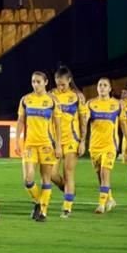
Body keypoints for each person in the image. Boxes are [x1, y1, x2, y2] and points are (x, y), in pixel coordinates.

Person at [16, 71, 61, 222]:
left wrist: (59, 145)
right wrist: (17, 141)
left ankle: (43, 212)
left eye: (38, 82)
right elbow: (21, 121)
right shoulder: (26, 100)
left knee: (46, 179)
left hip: (46, 144)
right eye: (33, 81)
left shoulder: (52, 101)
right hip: (30, 145)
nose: (35, 84)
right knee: (28, 179)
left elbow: (58, 125)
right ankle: (37, 202)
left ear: (46, 82)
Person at [50, 66, 87, 218]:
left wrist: (83, 141)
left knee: (68, 172)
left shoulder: (77, 97)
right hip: (55, 141)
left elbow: (83, 120)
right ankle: (66, 188)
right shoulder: (51, 95)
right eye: (58, 83)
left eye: (63, 84)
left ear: (69, 80)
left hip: (72, 139)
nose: (60, 87)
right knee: (51, 174)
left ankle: (67, 208)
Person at [86, 78, 121, 214]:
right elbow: (84, 123)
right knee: (100, 177)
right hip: (94, 146)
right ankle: (110, 199)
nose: (102, 87)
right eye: (100, 85)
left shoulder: (117, 105)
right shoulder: (91, 104)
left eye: (105, 85)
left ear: (110, 88)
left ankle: (101, 205)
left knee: (105, 173)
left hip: (110, 145)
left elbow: (123, 123)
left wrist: (126, 142)